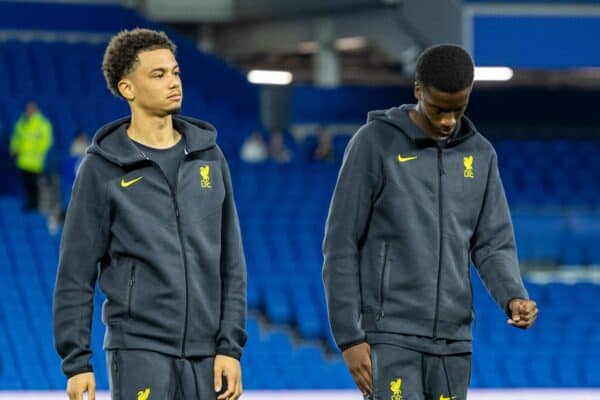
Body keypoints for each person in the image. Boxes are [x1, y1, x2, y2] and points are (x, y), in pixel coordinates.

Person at [322, 44, 538, 400]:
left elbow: (492, 243)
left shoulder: (480, 155)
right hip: (390, 338)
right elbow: (341, 243)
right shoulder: (374, 144)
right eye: (438, 109)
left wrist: (513, 295)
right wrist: (350, 337)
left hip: (454, 342)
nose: (448, 121)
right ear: (418, 91)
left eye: (458, 109)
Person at [53, 28, 247, 400]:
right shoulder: (102, 168)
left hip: (208, 355)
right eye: (158, 75)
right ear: (127, 88)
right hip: (138, 350)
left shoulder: (210, 157)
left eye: (175, 72)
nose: (173, 82)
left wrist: (229, 347)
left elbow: (232, 264)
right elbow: (75, 273)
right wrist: (76, 363)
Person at [9, 101, 53, 211]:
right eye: (28, 108)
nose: (29, 111)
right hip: (22, 161)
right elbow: (16, 138)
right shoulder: (21, 123)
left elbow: (47, 141)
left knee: (35, 186)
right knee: (26, 185)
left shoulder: (43, 124)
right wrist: (14, 149)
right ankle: (30, 205)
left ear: (36, 109)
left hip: (35, 162)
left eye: (31, 109)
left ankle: (36, 206)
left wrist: (37, 151)